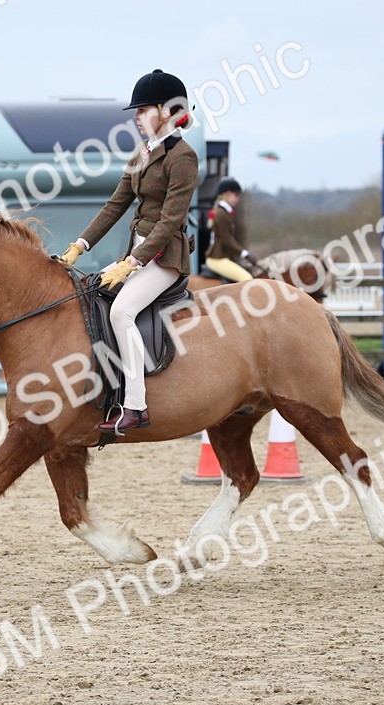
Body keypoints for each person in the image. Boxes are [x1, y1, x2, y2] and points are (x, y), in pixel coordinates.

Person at [58, 69, 198, 434]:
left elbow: (170, 220)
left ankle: (136, 406)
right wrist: (79, 246)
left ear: (167, 111)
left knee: (122, 312)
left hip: (164, 259)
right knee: (88, 292)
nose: (136, 117)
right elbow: (115, 205)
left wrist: (134, 261)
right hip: (134, 255)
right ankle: (104, 384)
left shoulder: (183, 157)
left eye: (142, 110)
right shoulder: (143, 152)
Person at [204, 177, 259, 282]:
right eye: (236, 195)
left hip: (223, 257)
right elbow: (227, 239)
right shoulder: (221, 214)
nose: (238, 199)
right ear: (226, 194)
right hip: (218, 259)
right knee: (247, 278)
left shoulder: (225, 212)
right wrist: (245, 253)